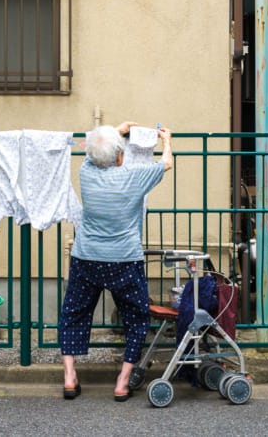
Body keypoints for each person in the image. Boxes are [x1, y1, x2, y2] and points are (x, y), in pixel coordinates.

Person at [59, 120, 173, 401]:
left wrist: (115, 132)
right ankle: (122, 381)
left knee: (73, 313)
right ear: (121, 156)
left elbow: (91, 147)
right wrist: (167, 140)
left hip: (86, 257)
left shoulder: (86, 172)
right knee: (137, 316)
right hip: (123, 259)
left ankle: (70, 377)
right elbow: (166, 164)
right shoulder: (133, 177)